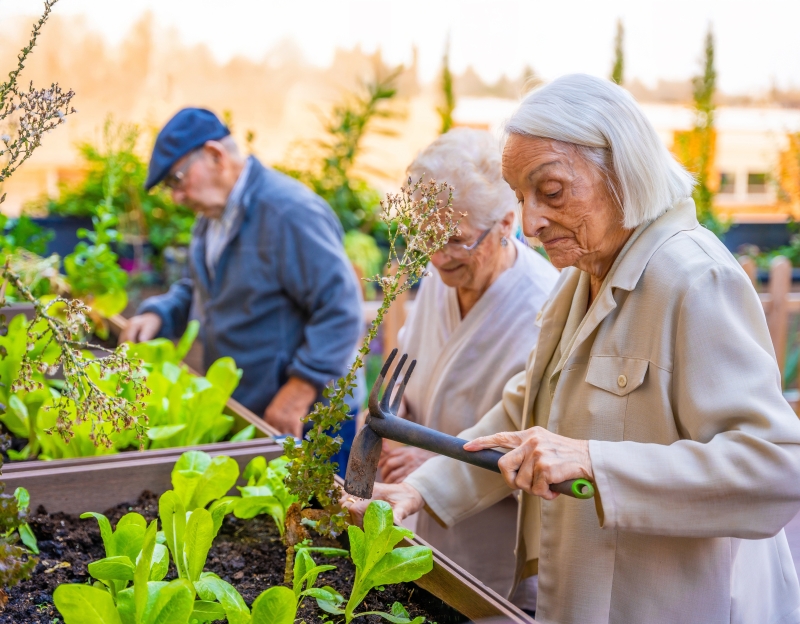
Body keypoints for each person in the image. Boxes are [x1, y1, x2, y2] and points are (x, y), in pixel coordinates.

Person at [346, 75, 800, 623]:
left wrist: (592, 460)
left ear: (621, 167)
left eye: (552, 191)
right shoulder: (580, 275)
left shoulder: (695, 279)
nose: (532, 223)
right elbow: (522, 410)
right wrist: (418, 490)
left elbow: (775, 468)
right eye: (521, 198)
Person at [375, 128, 559, 600]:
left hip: (492, 554)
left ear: (504, 222)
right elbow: (412, 371)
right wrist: (391, 422)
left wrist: (432, 461)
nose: (438, 258)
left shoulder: (545, 309)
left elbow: (541, 448)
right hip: (415, 524)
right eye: (427, 236)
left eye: (456, 240)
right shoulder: (444, 278)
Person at [121, 108, 363, 443]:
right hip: (252, 414)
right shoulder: (211, 220)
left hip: (308, 420)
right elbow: (201, 287)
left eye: (177, 180)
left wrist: (300, 388)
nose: (175, 197)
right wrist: (159, 314)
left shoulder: (287, 212)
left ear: (215, 156)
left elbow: (341, 307)